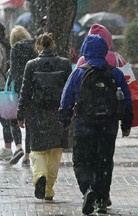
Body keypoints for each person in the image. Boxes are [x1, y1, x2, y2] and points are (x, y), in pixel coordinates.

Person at [58, 34, 133, 215]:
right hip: (109, 125)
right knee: (104, 162)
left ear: (85, 50)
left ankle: (87, 189)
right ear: (104, 51)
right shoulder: (115, 73)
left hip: (84, 124)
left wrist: (64, 120)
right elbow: (127, 100)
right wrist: (126, 124)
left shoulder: (78, 72)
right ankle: (101, 200)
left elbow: (66, 99)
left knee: (82, 160)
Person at [17, 33, 71, 200]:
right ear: (53, 45)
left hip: (36, 113)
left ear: (37, 47)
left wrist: (20, 114)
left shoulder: (31, 65)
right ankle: (48, 189)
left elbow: (24, 91)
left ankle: (40, 175)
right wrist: (69, 112)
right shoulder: (64, 64)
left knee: (37, 151)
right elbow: (69, 91)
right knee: (55, 151)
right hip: (58, 113)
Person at [8, 25, 38, 166]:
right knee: (31, 120)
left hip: (20, 86)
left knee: (14, 117)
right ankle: (27, 155)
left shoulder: (15, 48)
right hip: (35, 86)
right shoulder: (35, 44)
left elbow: (14, 70)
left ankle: (18, 146)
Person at [0, 23, 23, 163]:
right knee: (9, 118)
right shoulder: (8, 45)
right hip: (8, 86)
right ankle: (12, 147)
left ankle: (8, 148)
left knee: (5, 119)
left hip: (1, 85)